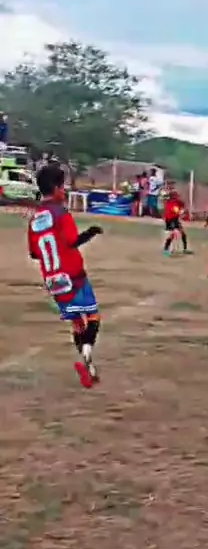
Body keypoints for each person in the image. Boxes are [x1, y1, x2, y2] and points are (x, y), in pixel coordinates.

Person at [27, 163, 104, 388]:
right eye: (63, 186)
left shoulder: (35, 218)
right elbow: (72, 241)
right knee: (93, 317)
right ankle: (87, 357)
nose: (65, 190)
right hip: (74, 276)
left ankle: (88, 368)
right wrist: (90, 233)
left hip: (54, 280)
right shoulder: (61, 212)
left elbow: (34, 253)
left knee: (76, 322)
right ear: (56, 188)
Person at [163, 188, 191, 255]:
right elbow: (177, 211)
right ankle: (167, 250)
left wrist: (184, 210)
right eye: (175, 195)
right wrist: (183, 212)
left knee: (183, 234)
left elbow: (182, 205)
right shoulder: (170, 203)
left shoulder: (176, 201)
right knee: (172, 235)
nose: (177, 196)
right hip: (170, 220)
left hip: (175, 219)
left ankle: (185, 249)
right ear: (172, 196)